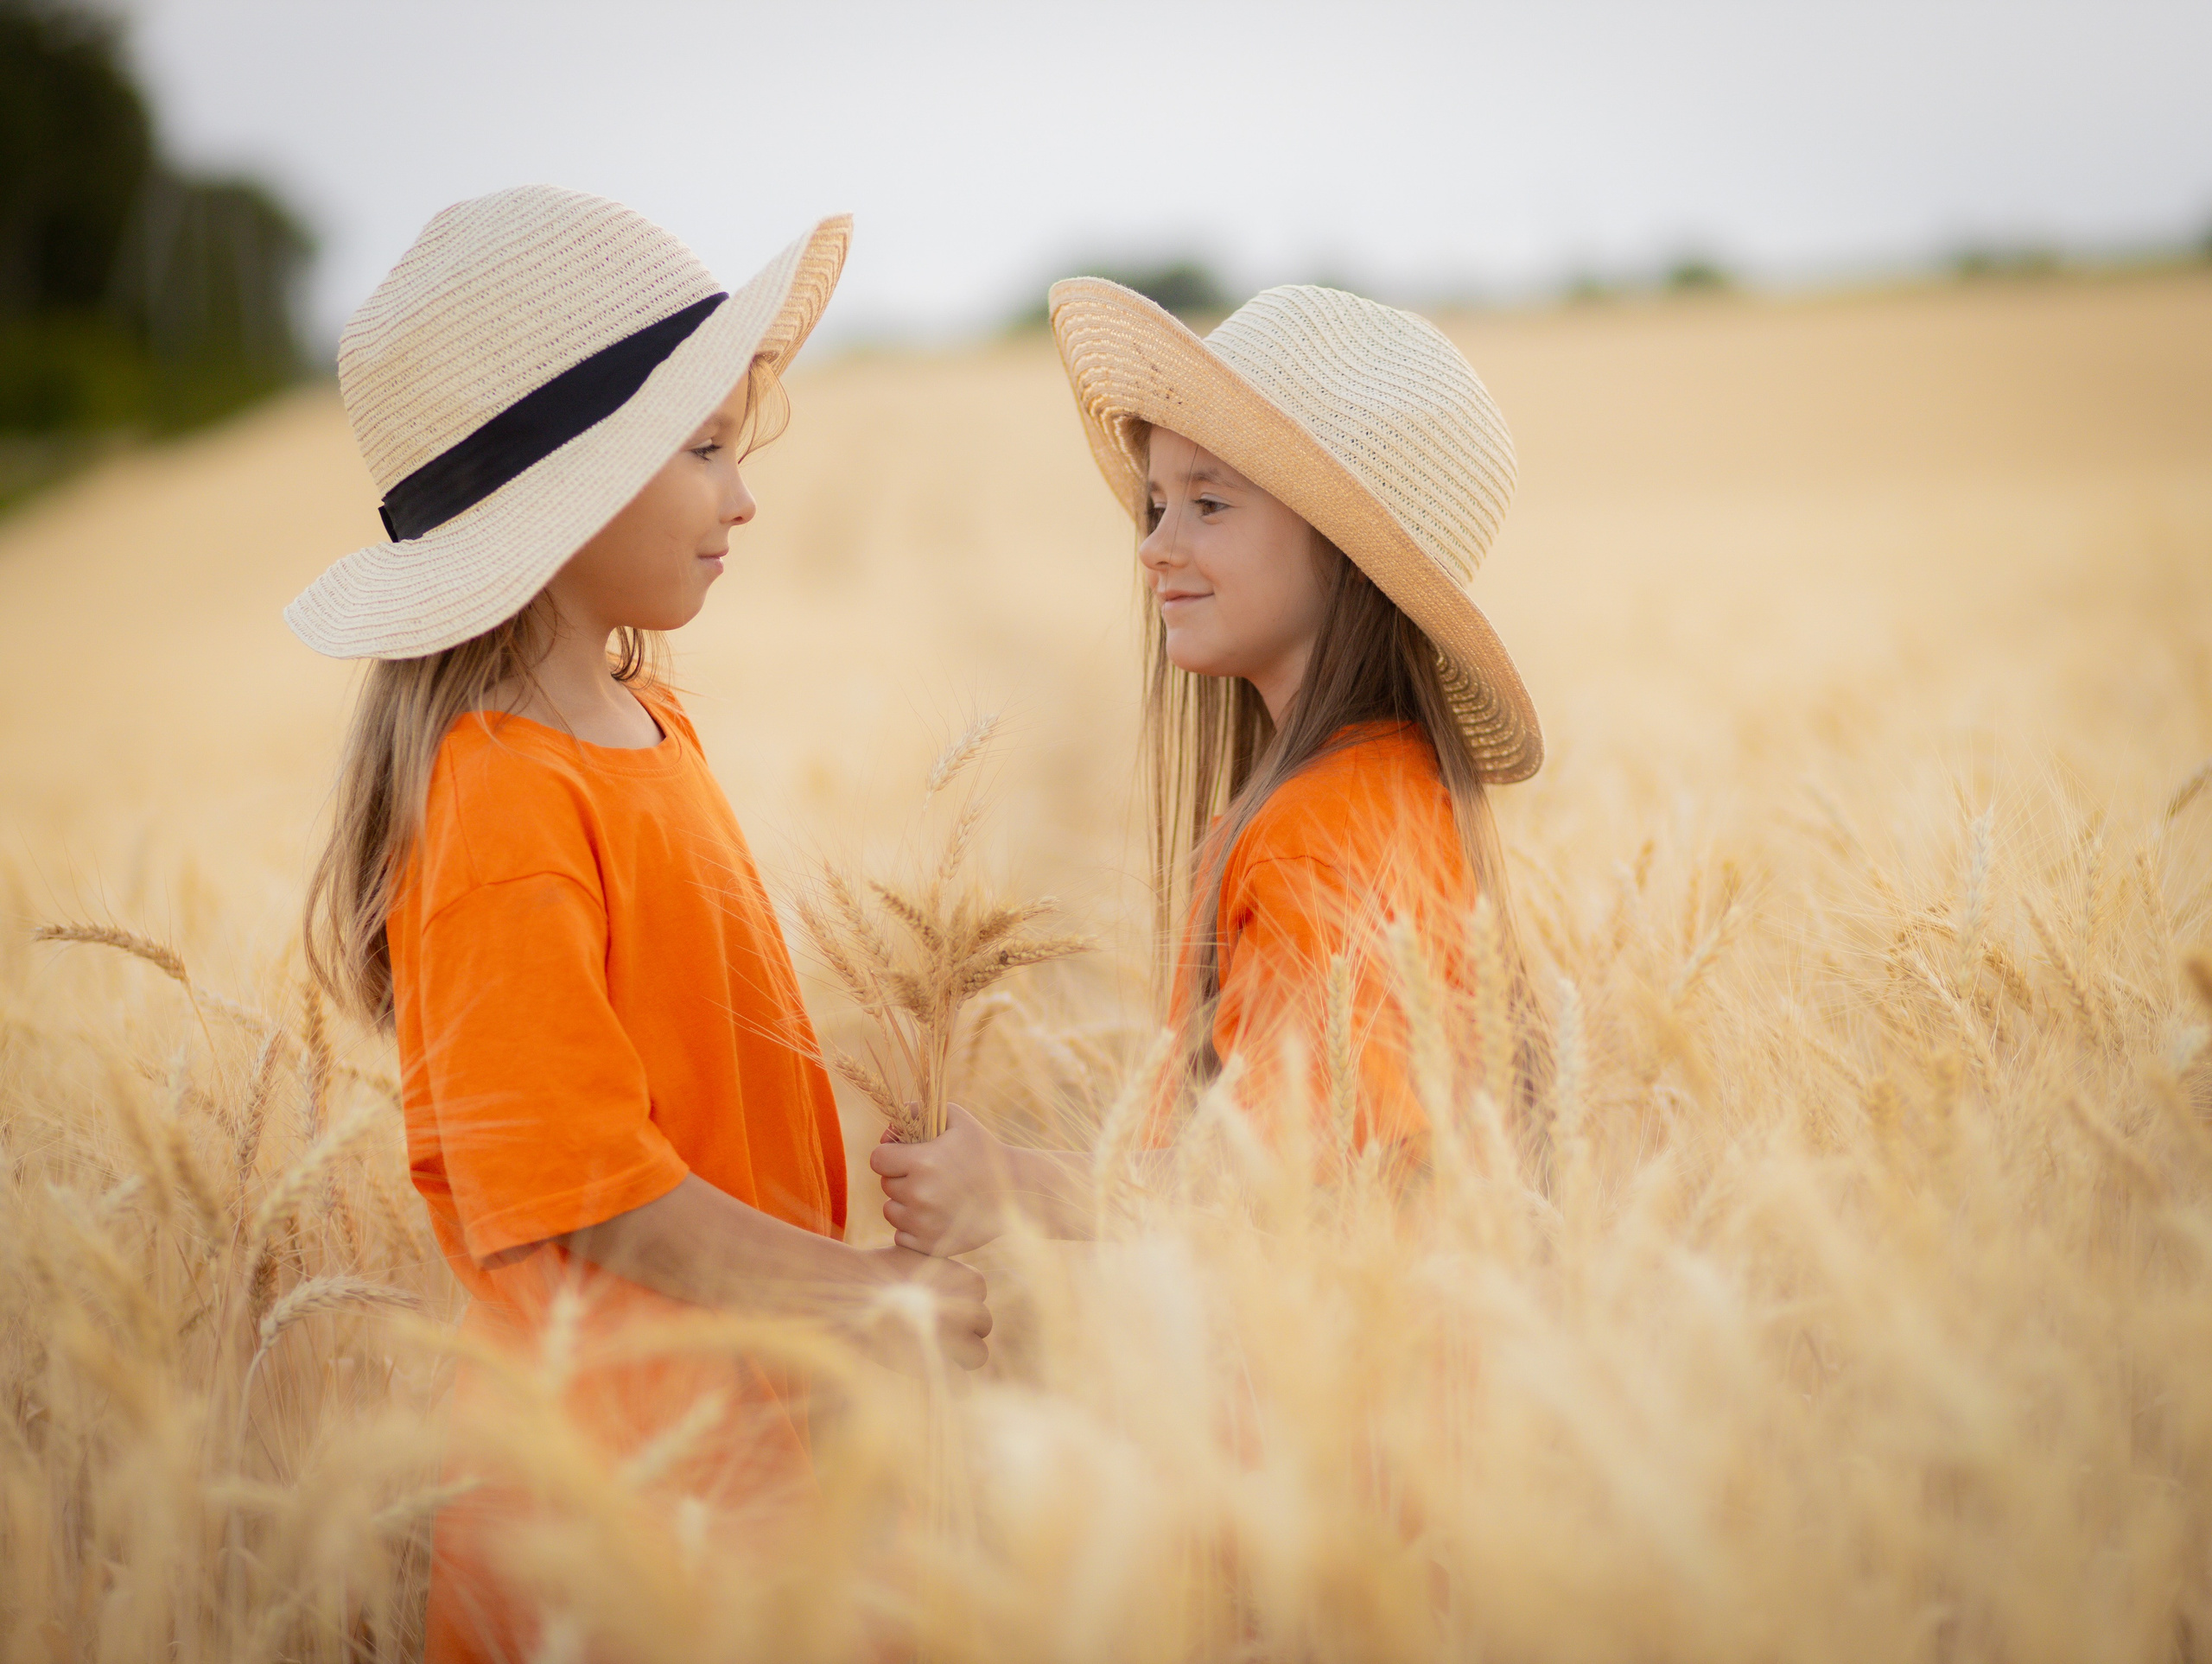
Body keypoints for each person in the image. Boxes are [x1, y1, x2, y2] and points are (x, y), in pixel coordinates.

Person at [291, 187, 989, 1662]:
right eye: (705, 448)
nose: (744, 496)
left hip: (747, 1470)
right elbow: (591, 1190)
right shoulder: (495, 797)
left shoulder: (648, 720)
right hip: (603, 1522)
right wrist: (865, 1305)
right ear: (570, 489)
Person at [874, 278, 1544, 1254]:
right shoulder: (1390, 785)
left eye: (1208, 504)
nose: (1154, 546)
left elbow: (1282, 1189)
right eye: (1154, 504)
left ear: (1349, 553)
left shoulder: (1315, 832)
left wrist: (1009, 1187)